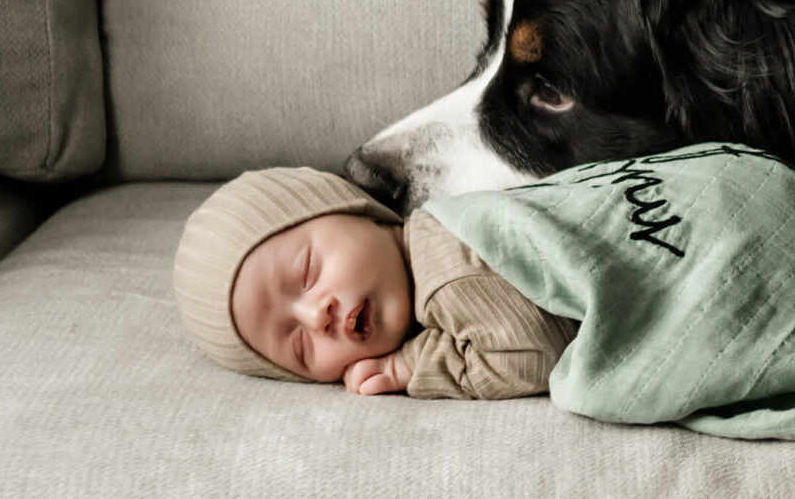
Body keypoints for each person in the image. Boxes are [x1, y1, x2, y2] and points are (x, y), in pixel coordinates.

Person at [172, 166, 575, 398]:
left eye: (307, 272)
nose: (317, 316)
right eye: (299, 345)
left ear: (352, 208)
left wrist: (411, 366)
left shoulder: (447, 269)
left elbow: (534, 353)